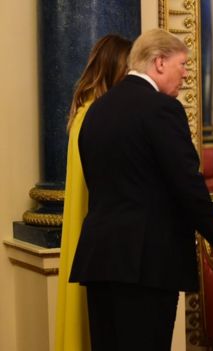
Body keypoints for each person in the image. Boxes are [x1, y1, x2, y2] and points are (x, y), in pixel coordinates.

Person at [69, 28, 213, 351]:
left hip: (100, 258)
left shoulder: (95, 112)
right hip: (147, 263)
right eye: (182, 65)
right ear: (159, 62)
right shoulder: (162, 109)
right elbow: (187, 182)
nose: (185, 75)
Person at [55, 34, 132, 351]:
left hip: (87, 227)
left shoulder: (84, 113)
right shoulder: (98, 117)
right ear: (116, 70)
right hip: (100, 227)